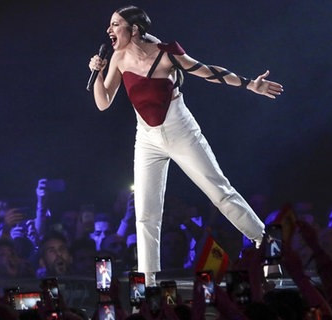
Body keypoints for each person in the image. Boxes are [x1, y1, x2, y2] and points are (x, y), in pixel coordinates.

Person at [88, 5, 282, 286]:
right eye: (110, 24)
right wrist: (97, 72)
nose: (109, 30)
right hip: (147, 139)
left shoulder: (165, 53)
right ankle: (149, 281)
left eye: (115, 24)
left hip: (180, 130)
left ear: (135, 29)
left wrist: (249, 84)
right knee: (146, 213)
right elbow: (103, 102)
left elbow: (208, 72)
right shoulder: (117, 58)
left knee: (219, 192)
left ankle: (266, 244)